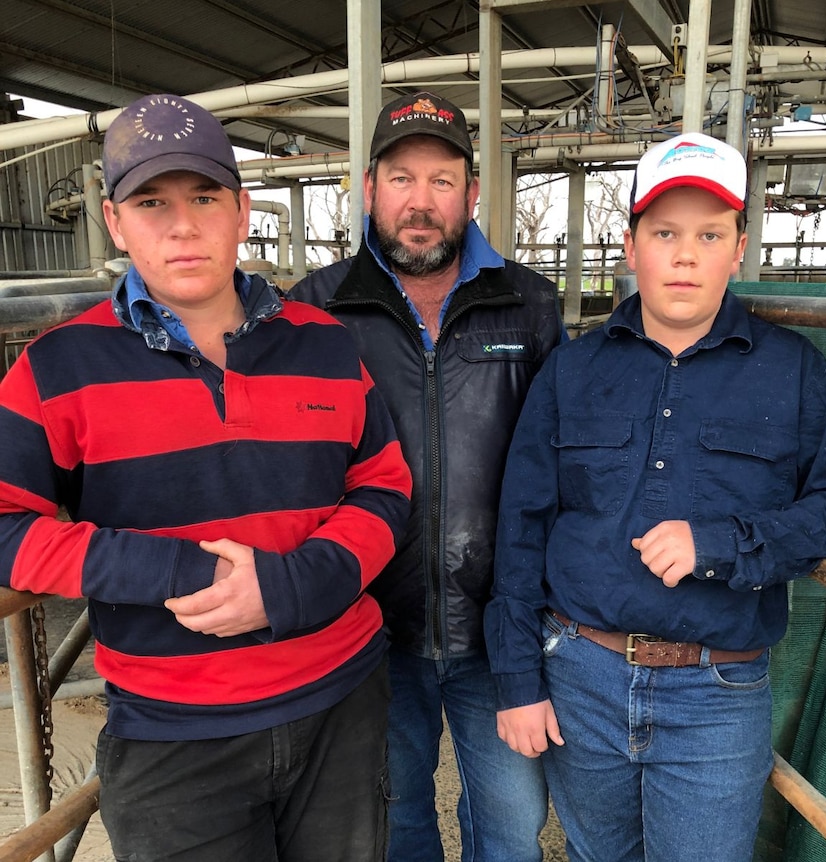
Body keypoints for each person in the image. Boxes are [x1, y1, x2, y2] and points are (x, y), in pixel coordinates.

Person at [0, 93, 412, 862]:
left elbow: (385, 488)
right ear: (115, 222)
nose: (183, 224)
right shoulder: (54, 367)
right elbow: (5, 524)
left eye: (204, 197)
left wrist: (288, 584)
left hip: (340, 703)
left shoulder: (323, 343)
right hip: (171, 732)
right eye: (151, 201)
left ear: (242, 211)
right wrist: (173, 569)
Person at [485, 132, 826, 862]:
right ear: (631, 246)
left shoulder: (796, 375)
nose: (685, 254)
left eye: (709, 234)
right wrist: (515, 681)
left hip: (716, 691)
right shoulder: (571, 371)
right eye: (664, 232)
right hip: (581, 673)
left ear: (738, 248)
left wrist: (723, 542)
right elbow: (521, 528)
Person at [291, 91, 563, 862]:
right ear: (368, 187)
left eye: (442, 181)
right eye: (401, 178)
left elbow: (563, 469)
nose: (421, 201)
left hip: (500, 628)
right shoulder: (315, 311)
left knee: (512, 823)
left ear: (472, 194)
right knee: (396, 812)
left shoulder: (529, 306)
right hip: (368, 624)